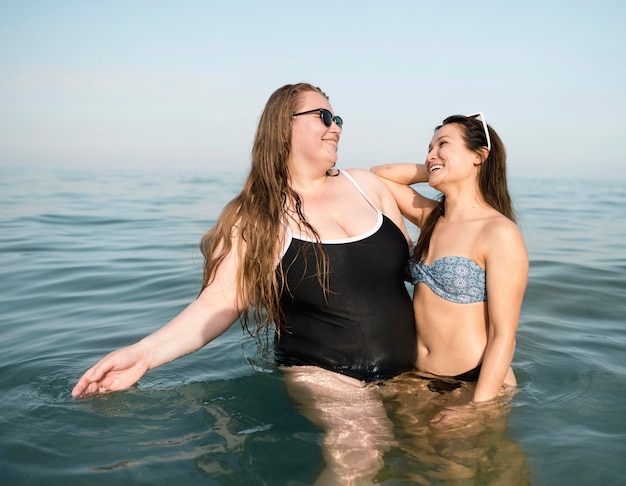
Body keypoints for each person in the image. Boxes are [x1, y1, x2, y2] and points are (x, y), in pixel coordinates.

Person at [72, 82, 416, 482]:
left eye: (337, 118)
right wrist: (144, 355)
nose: (335, 126)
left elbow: (418, 268)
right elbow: (218, 302)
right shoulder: (258, 216)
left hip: (409, 374)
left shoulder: (367, 187)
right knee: (361, 449)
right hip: (326, 374)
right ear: (283, 128)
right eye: (323, 116)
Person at [371, 113, 528, 426]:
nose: (431, 154)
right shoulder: (431, 219)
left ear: (479, 156)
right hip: (417, 378)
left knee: (464, 473)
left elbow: (503, 335)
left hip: (472, 383)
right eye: (429, 147)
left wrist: (476, 408)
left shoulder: (499, 233)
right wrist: (435, 166)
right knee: (412, 470)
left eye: (443, 144)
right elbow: (378, 176)